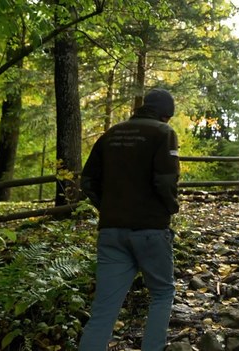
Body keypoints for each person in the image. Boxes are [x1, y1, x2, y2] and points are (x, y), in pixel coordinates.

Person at [79, 88, 180, 351]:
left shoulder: (110, 134)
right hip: (150, 229)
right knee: (162, 293)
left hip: (111, 231)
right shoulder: (163, 133)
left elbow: (88, 181)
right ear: (166, 113)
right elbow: (165, 181)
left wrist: (109, 208)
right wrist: (171, 207)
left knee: (104, 309)